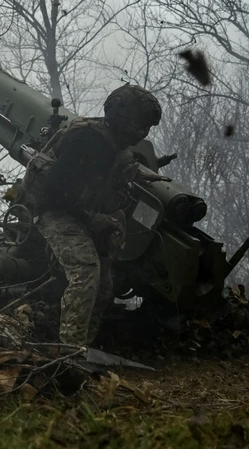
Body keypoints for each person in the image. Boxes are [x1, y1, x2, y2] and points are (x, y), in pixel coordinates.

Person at [21, 84, 163, 347]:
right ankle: (70, 352)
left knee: (104, 286)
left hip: (86, 215)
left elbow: (106, 178)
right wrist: (91, 218)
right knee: (86, 271)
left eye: (147, 127)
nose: (142, 131)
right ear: (120, 116)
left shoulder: (120, 149)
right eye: (138, 123)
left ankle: (84, 348)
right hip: (56, 212)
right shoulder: (86, 138)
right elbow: (54, 188)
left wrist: (136, 176)